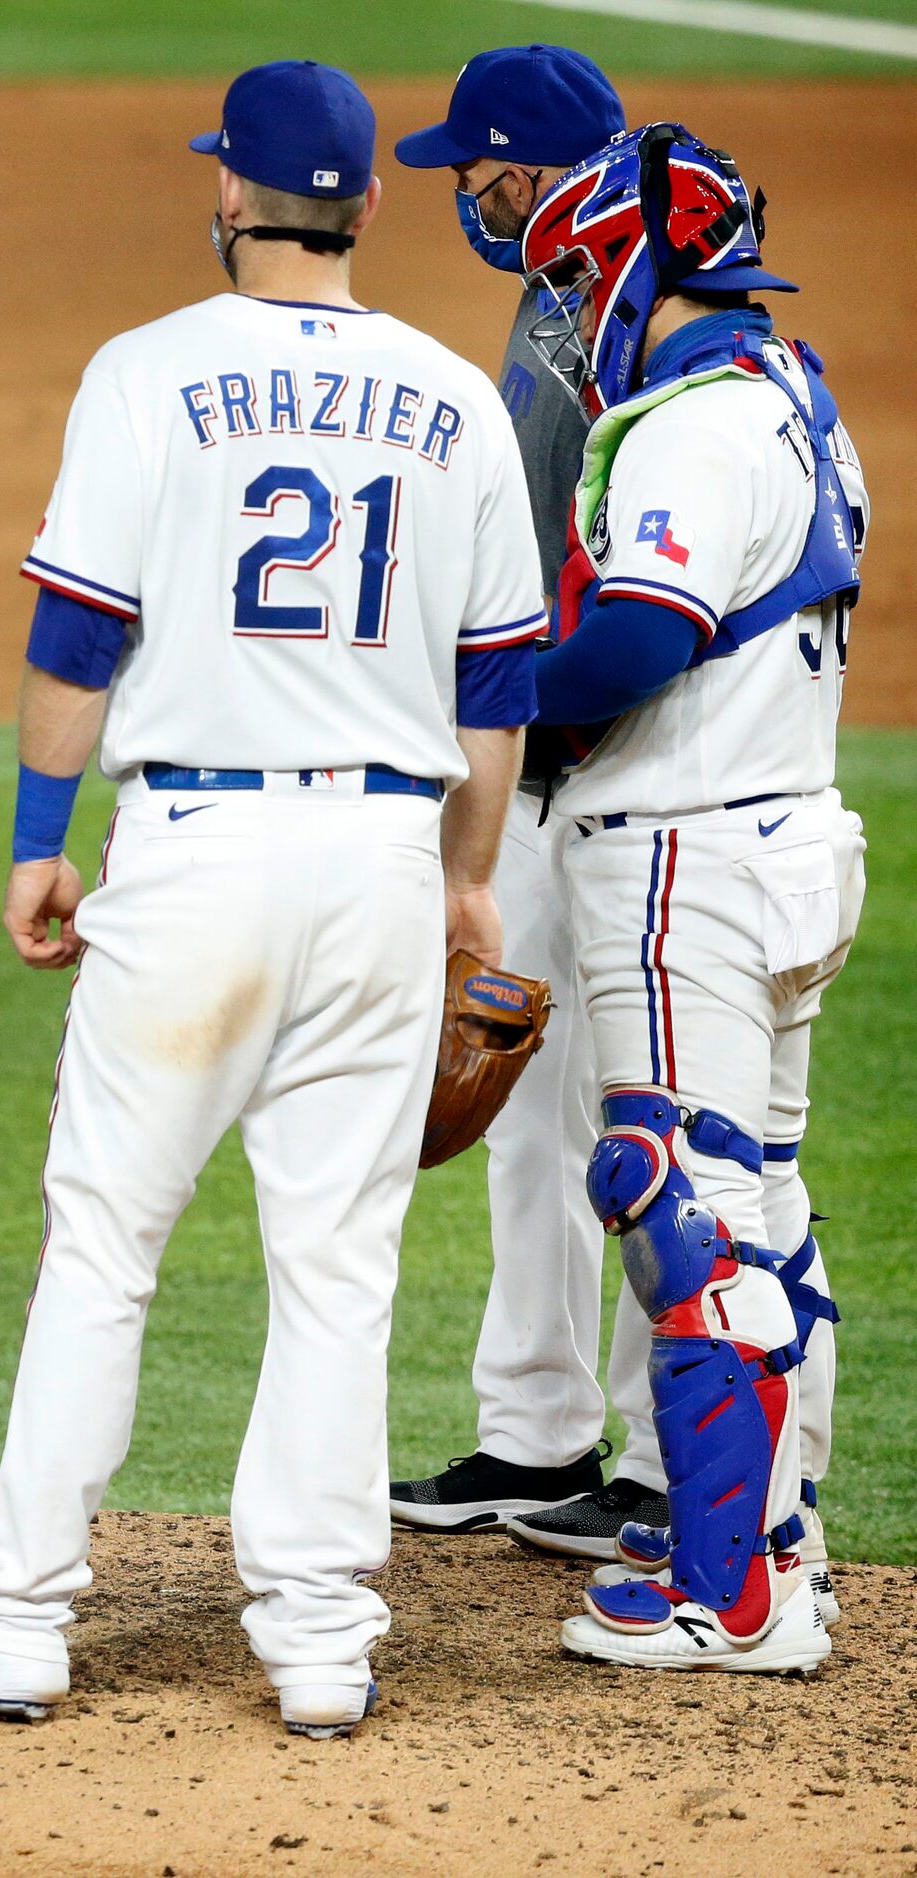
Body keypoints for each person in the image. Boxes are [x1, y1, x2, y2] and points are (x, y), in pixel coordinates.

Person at [0, 62, 542, 1739]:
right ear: (370, 205)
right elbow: (498, 687)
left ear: (228, 194)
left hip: (197, 857)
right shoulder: (455, 397)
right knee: (339, 1261)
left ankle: (15, 1619)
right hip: (382, 866)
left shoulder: (148, 373)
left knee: (104, 1242)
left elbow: (79, 635)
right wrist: (464, 881)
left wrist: (37, 836)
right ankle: (319, 1638)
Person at [518, 122, 862, 1671]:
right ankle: (780, 1547)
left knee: (678, 1201)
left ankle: (728, 1598)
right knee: (766, 1206)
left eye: (580, 276)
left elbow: (643, 637)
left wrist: (495, 700)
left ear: (642, 270)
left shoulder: (689, 433)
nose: (568, 309)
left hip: (685, 857)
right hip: (787, 836)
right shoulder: (794, 398)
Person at [386, 45, 669, 1557]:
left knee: (639, 1107)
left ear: (528, 161)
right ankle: (539, 1437)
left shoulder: (621, 299)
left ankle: (670, 1459)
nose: (462, 194)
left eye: (472, 168)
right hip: (550, 759)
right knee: (523, 1094)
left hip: (619, 752)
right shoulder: (561, 285)